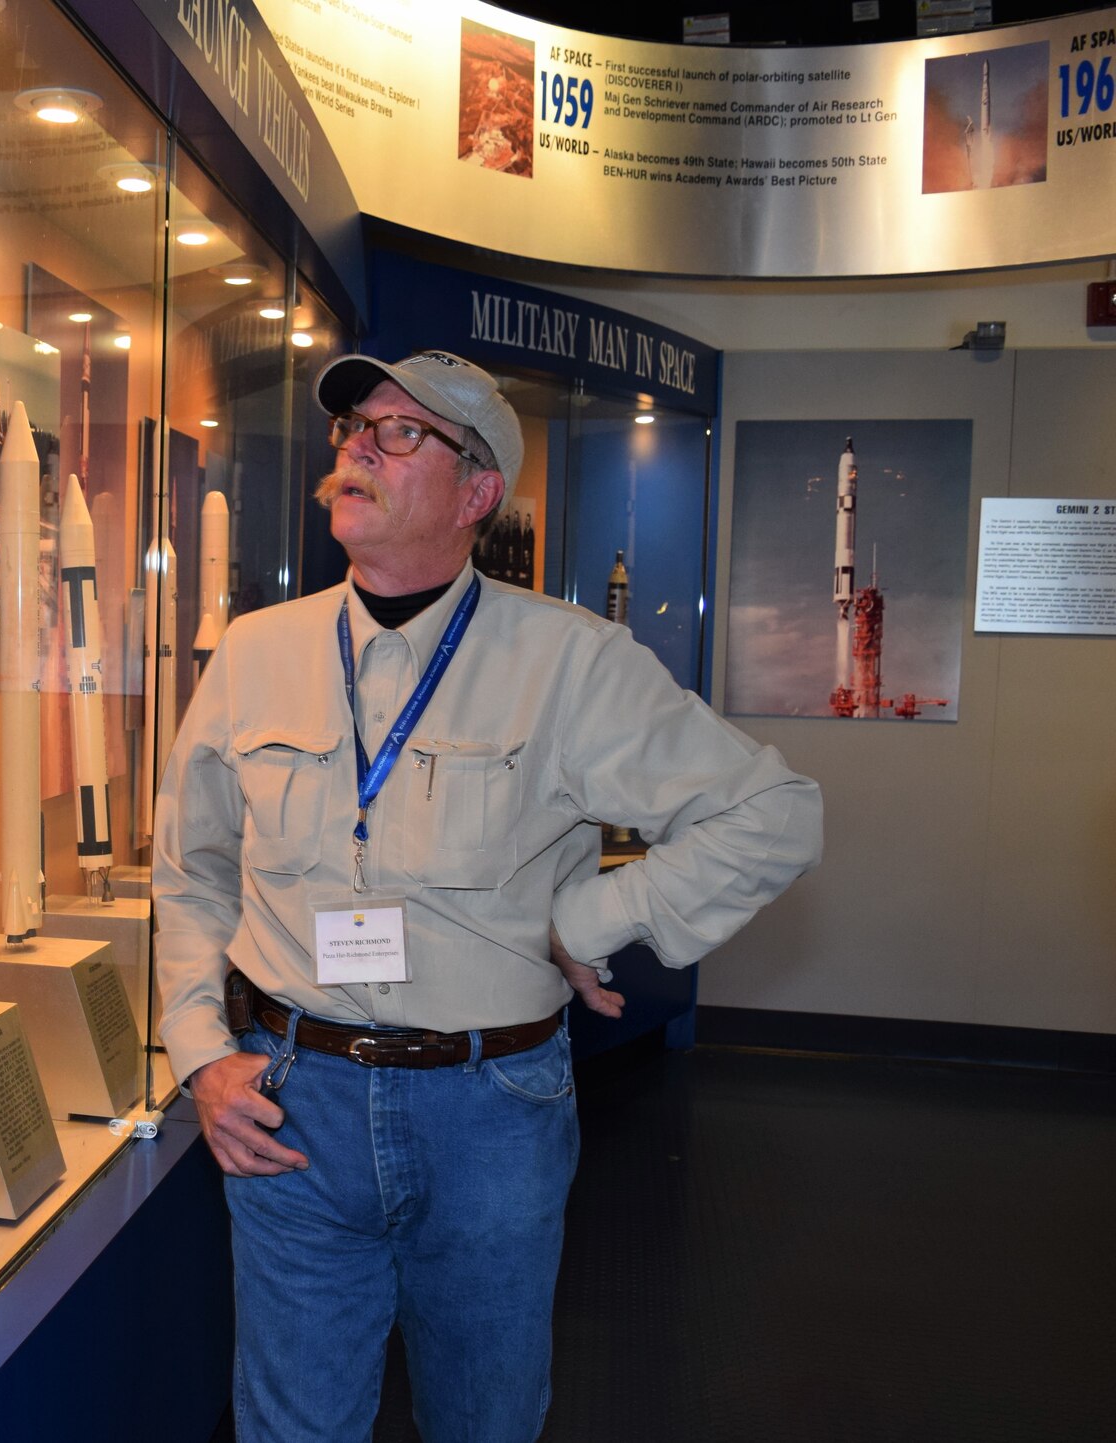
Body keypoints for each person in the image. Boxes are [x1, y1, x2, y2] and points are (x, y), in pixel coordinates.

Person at [152, 349, 822, 1442]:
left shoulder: (572, 664)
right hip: (288, 1103)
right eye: (351, 427)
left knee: (485, 1419)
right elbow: (189, 872)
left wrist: (589, 919)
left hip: (488, 1116)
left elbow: (772, 814)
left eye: (399, 431)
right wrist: (197, 1054)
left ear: (475, 494)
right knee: (289, 1426)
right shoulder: (251, 654)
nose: (357, 444)